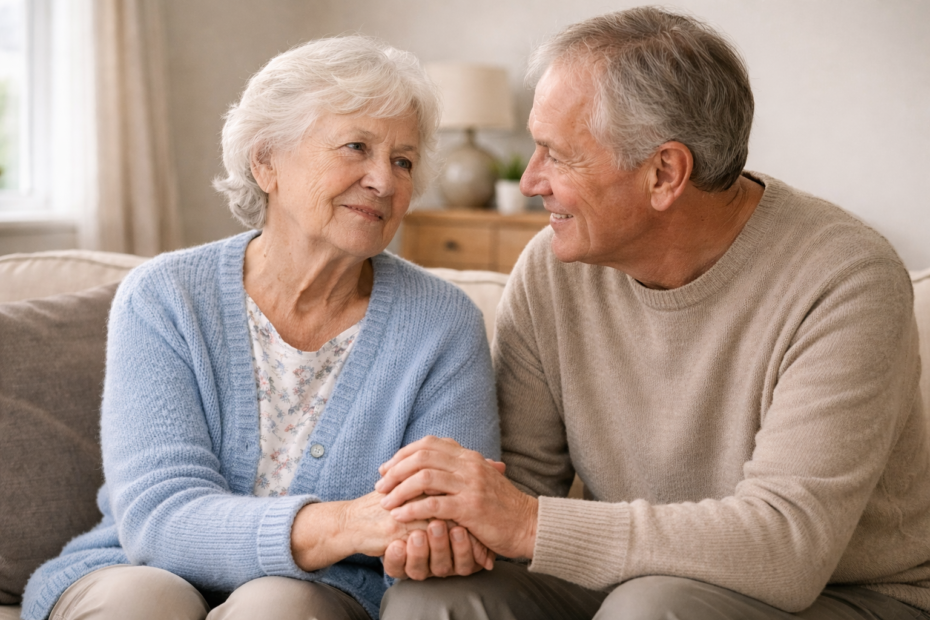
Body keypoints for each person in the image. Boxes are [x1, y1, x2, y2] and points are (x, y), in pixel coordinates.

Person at [376, 7, 930, 620]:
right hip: (631, 580)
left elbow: (788, 547)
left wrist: (527, 522)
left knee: (651, 608)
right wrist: (442, 531)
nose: (531, 180)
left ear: (664, 173)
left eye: (556, 155)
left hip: (847, 595)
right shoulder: (551, 270)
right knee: (436, 600)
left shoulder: (845, 277)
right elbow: (522, 483)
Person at [21, 36, 499, 620]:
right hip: (137, 566)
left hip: (330, 591)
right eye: (356, 147)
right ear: (266, 161)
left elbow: (451, 517)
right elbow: (160, 517)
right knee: (140, 601)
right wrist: (347, 522)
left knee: (277, 606)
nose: (385, 180)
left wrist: (436, 536)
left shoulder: (442, 324)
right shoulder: (166, 297)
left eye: (402, 160)